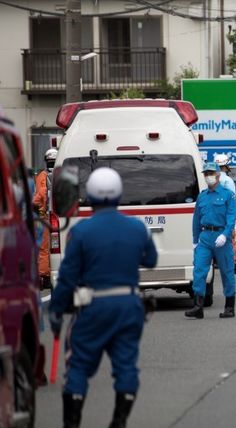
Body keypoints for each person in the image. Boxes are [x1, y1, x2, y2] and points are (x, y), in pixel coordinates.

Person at [50, 167, 158, 427]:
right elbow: (151, 260)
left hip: (93, 306)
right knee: (126, 365)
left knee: (78, 365)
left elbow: (67, 277)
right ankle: (119, 421)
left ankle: (72, 423)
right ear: (119, 195)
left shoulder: (81, 232)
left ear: (90, 196)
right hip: (129, 305)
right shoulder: (137, 227)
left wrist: (56, 310)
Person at [186, 163, 236, 319]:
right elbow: (196, 219)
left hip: (221, 237)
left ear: (218, 175)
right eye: (206, 173)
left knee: (227, 271)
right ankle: (198, 306)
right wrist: (195, 240)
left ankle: (229, 307)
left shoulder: (228, 195)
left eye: (211, 173)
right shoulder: (202, 196)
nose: (208, 176)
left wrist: (225, 235)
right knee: (199, 270)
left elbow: (231, 217)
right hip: (205, 237)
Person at [214, 154, 236, 275]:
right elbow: (232, 200)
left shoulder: (214, 179)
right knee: (232, 238)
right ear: (225, 166)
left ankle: (218, 262)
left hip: (215, 214)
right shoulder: (227, 180)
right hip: (228, 213)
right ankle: (234, 265)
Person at [32, 147, 57, 290]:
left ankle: (44, 276)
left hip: (45, 216)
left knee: (43, 248)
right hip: (60, 216)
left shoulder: (42, 175)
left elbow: (39, 196)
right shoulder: (63, 173)